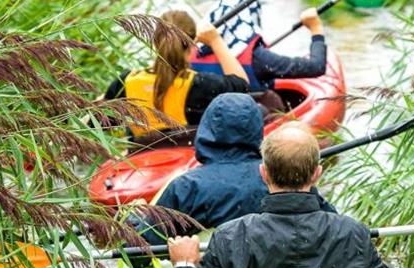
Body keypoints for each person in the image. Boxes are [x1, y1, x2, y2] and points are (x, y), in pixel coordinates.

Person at [167, 122, 398, 268]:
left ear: (263, 173)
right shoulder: (352, 232)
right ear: (318, 173)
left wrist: (184, 264)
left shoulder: (230, 237)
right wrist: (363, 253)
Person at [136, 93, 335, 246]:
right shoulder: (281, 175)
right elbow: (332, 225)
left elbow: (141, 251)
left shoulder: (187, 187)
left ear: (207, 129)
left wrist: (134, 220)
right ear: (257, 129)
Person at [103, 10, 250, 144]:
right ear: (192, 44)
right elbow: (243, 86)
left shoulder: (125, 82)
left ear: (155, 43)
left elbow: (98, 122)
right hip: (189, 154)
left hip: (141, 157)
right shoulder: (201, 85)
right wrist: (215, 40)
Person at [191, 1, 327, 96]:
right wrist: (316, 29)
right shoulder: (259, 58)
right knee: (273, 101)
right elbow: (316, 67)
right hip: (247, 120)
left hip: (203, 121)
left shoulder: (187, 54)